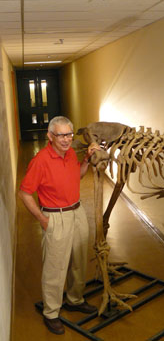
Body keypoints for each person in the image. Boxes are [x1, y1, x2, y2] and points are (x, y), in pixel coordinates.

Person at [19, 116, 100, 335]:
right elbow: (25, 193)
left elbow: (77, 177)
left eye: (69, 134)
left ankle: (75, 299)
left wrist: (85, 162)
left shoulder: (71, 153)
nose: (66, 140)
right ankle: (51, 312)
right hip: (55, 217)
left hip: (77, 212)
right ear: (50, 136)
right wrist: (42, 218)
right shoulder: (40, 160)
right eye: (61, 135)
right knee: (55, 268)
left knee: (78, 261)